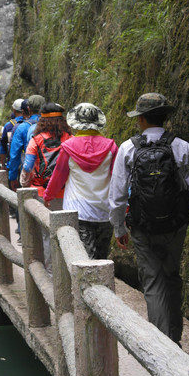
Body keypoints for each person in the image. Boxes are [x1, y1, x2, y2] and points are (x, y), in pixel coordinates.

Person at [109, 92, 189, 345]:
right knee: (172, 277)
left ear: (141, 119)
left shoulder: (128, 148)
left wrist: (118, 227)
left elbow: (117, 195)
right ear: (165, 117)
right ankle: (174, 338)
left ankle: (160, 345)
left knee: (153, 281)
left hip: (142, 227)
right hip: (175, 226)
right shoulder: (182, 147)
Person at [44, 102, 118, 260]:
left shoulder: (68, 147)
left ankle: (87, 285)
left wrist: (48, 195)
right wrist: (124, 206)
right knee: (102, 257)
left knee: (84, 258)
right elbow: (117, 179)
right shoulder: (111, 147)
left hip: (78, 210)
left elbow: (59, 175)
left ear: (76, 123)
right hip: (105, 210)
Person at [20, 102, 72, 271]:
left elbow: (27, 167)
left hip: (42, 193)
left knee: (47, 234)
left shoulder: (36, 140)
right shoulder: (70, 139)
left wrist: (24, 183)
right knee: (68, 233)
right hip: (66, 193)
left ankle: (51, 272)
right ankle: (66, 269)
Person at [8, 94, 46, 187]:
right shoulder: (54, 124)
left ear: (28, 109)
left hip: (30, 175)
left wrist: (12, 177)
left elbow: (14, 155)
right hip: (51, 175)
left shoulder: (22, 127)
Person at [0, 99, 24, 170]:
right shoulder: (32, 123)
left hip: (13, 164)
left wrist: (3, 164)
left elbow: (3, 147)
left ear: (14, 110)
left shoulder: (8, 126)